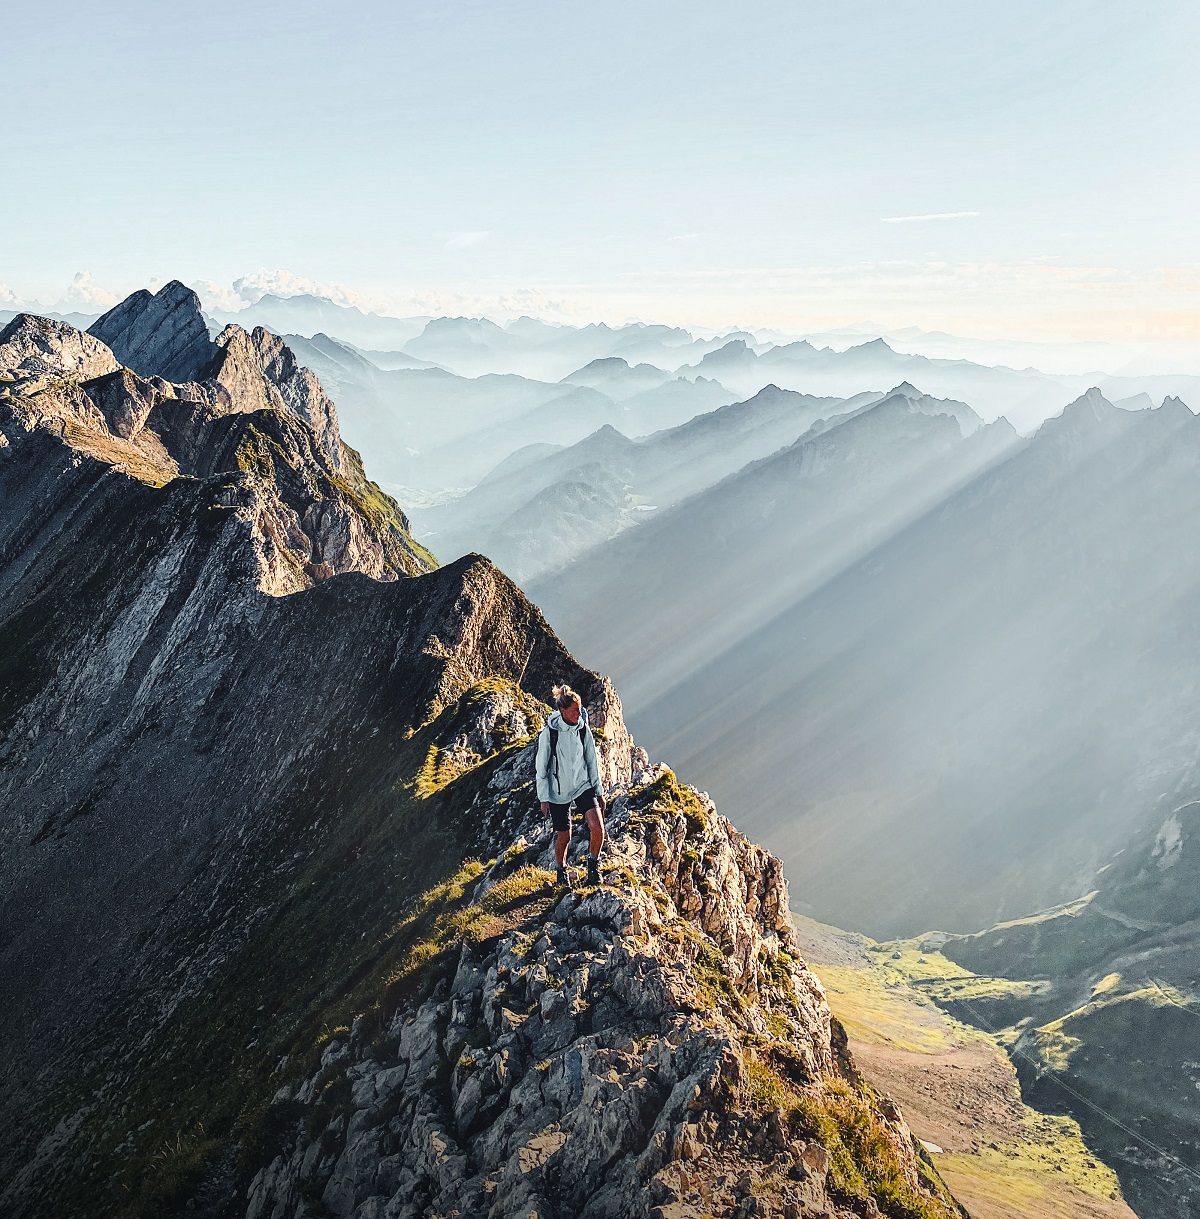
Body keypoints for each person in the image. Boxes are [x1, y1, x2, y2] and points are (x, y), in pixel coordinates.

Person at [535, 684, 606, 887]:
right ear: (563, 711)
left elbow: (592, 760)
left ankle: (593, 867)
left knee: (598, 828)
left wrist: (598, 791)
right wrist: (544, 797)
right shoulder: (550, 733)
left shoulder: (583, 729)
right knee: (564, 836)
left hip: (582, 784)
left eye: (580, 708)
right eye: (575, 710)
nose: (580, 713)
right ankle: (561, 870)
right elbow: (541, 767)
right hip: (558, 791)